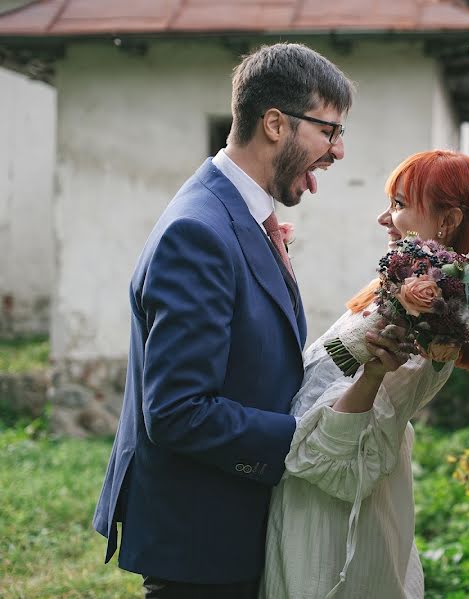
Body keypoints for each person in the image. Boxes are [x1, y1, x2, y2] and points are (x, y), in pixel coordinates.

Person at [92, 43, 364, 598]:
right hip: (201, 546)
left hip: (234, 531)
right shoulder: (198, 232)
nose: (338, 151)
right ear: (274, 124)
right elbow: (176, 410)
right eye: (329, 132)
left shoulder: (242, 214)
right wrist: (302, 441)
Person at [260, 150, 469, 598]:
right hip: (318, 498)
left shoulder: (435, 317)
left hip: (332, 519)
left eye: (400, 204)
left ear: (447, 219)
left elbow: (340, 465)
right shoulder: (405, 290)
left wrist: (370, 376)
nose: (383, 218)